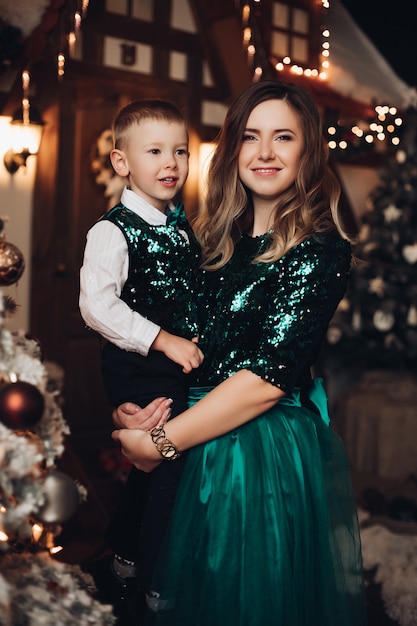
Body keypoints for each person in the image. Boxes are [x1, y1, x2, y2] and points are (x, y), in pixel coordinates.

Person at [112, 80, 367, 626]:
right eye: (251, 137)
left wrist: (158, 443)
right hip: (184, 428)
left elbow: (267, 378)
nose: (265, 153)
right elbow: (159, 339)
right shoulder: (208, 240)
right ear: (232, 150)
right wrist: (136, 407)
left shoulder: (321, 250)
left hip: (252, 451)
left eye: (283, 137)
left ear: (308, 151)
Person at [79, 99, 204, 622]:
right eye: (155, 151)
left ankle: (124, 560)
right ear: (122, 162)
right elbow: (96, 305)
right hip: (142, 365)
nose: (171, 162)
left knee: (156, 472)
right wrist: (164, 340)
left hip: (174, 365)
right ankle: (156, 586)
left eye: (180, 150)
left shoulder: (179, 226)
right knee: (172, 469)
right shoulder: (113, 230)